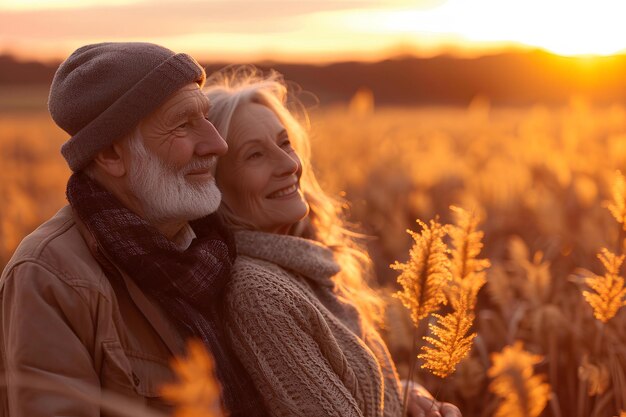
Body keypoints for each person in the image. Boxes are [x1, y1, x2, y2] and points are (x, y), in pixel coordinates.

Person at [0, 43, 267, 417]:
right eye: (183, 124)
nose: (216, 143)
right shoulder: (50, 278)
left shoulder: (220, 244)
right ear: (110, 154)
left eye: (205, 118)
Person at [204, 66, 463, 417]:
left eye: (284, 143)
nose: (288, 165)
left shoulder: (303, 267)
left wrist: (400, 394)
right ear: (216, 187)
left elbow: (343, 389)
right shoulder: (260, 294)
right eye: (255, 155)